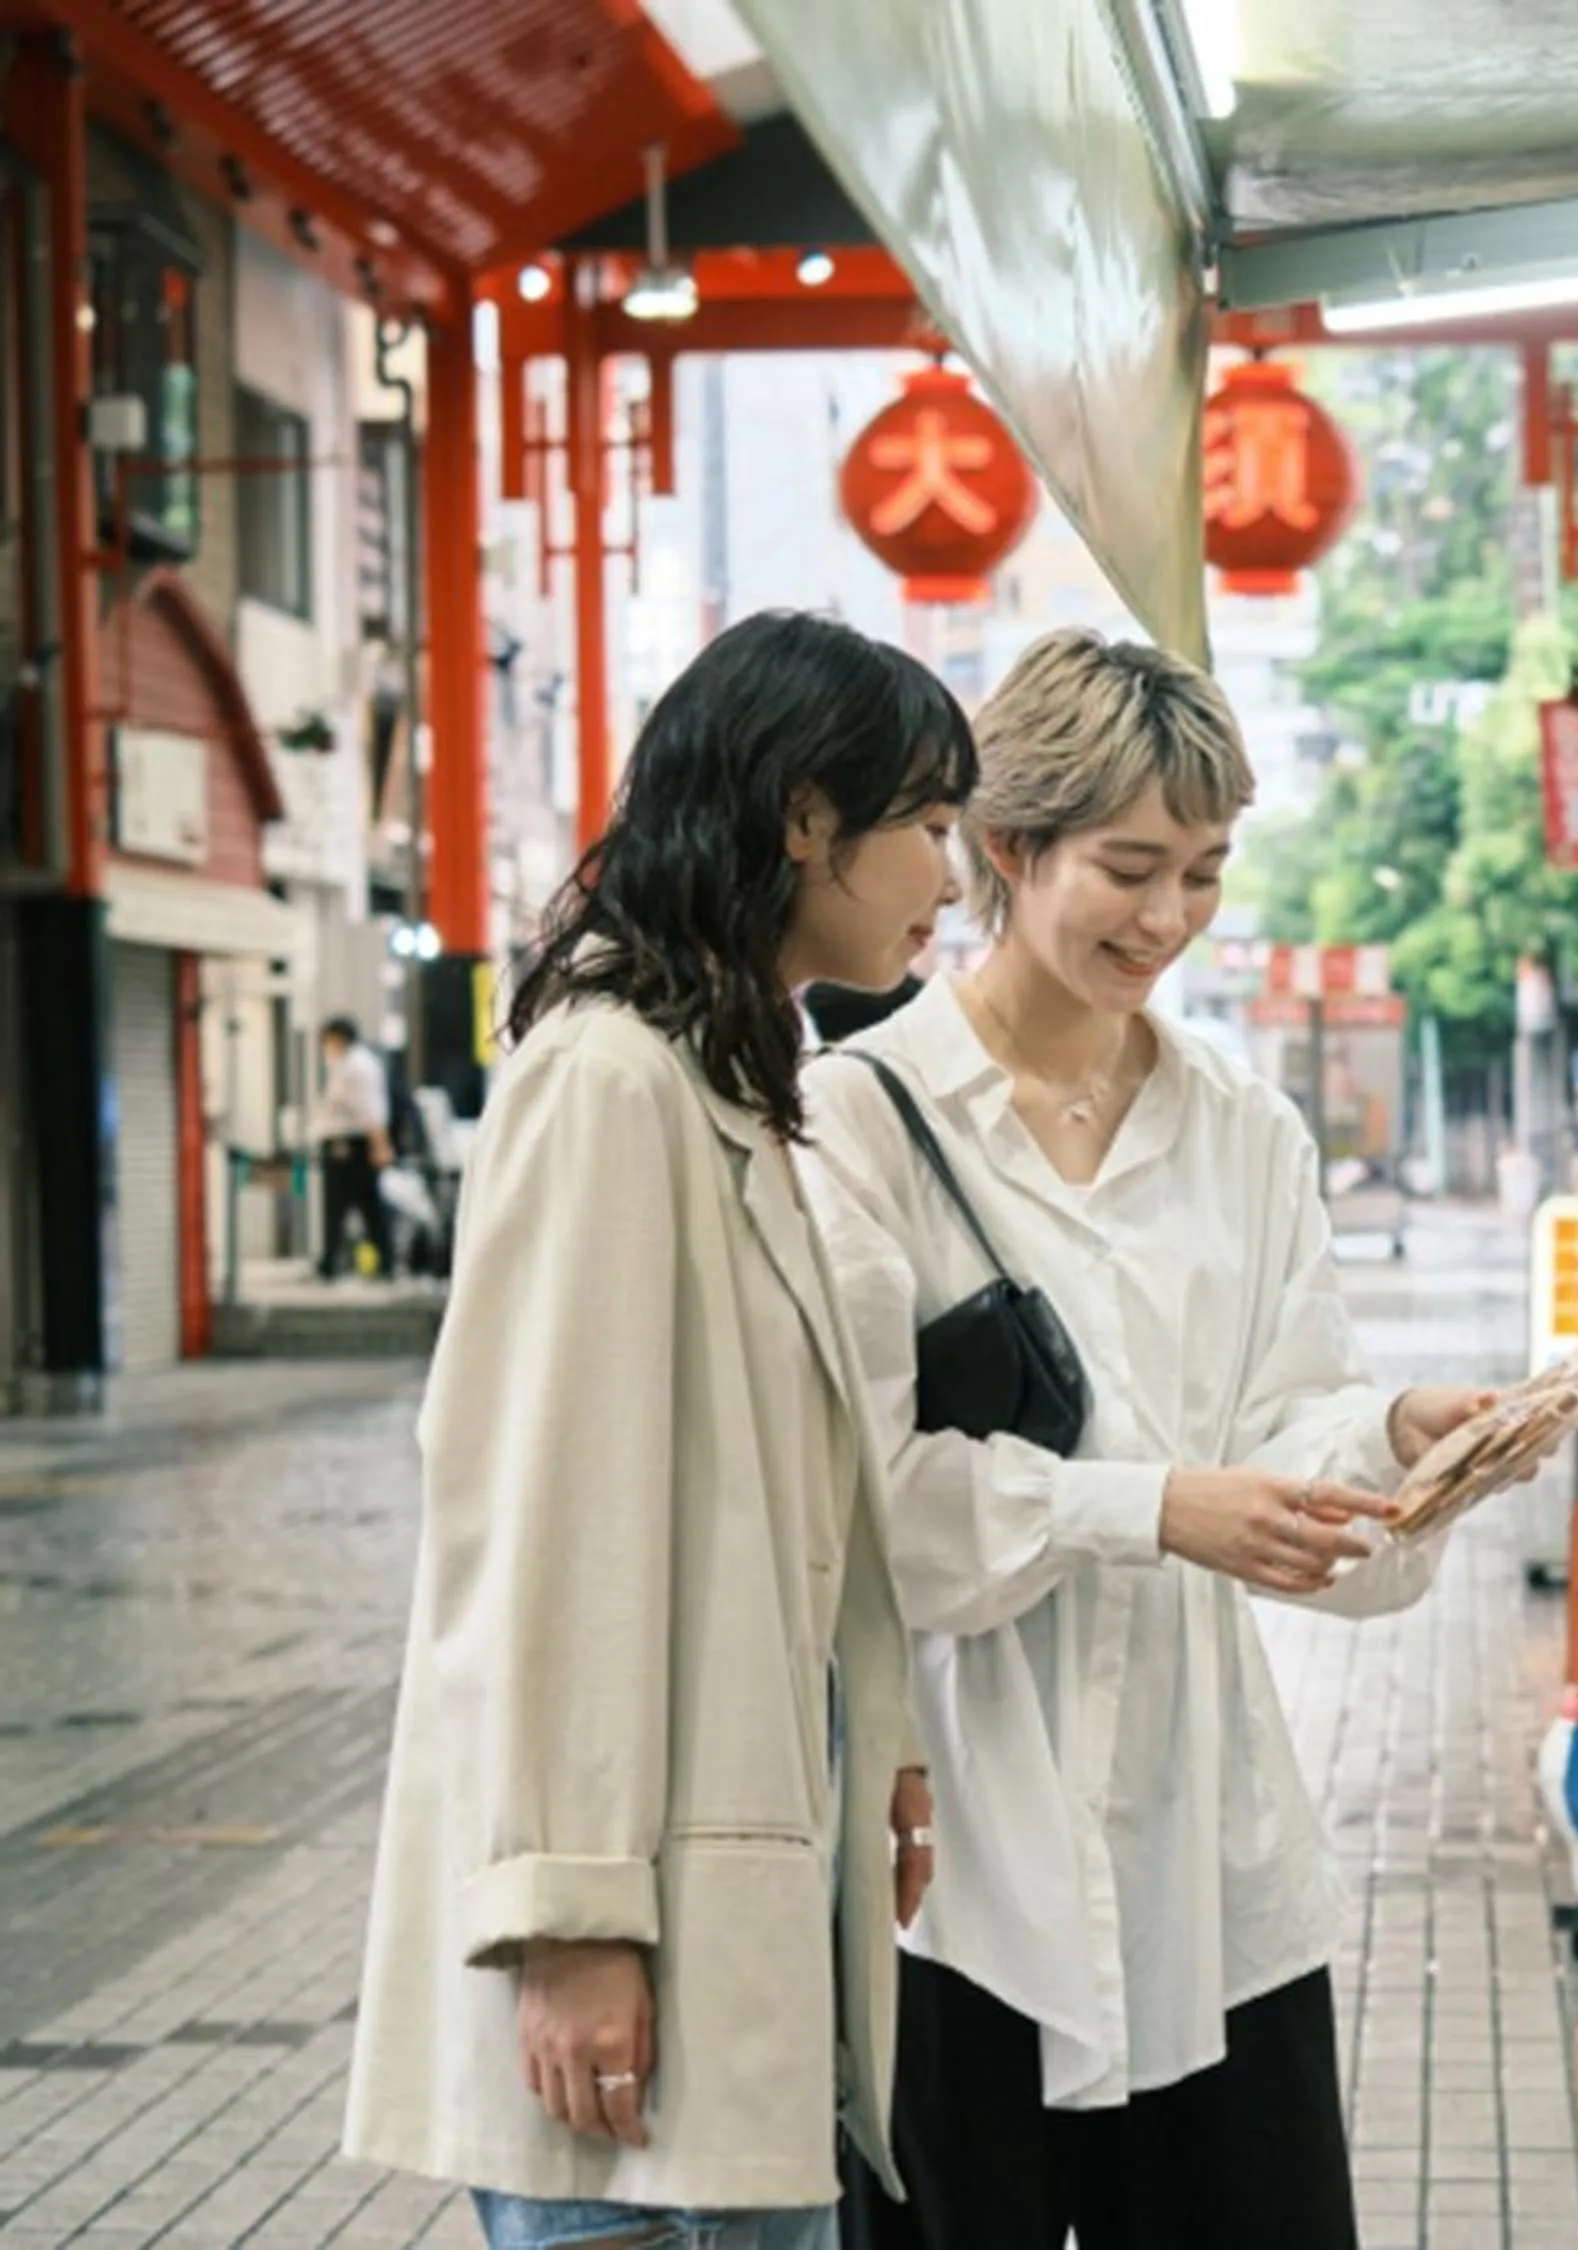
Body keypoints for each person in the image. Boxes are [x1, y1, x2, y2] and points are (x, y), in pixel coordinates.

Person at [801, 629, 1496, 2250]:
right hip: (955, 1880)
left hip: (1216, 1872)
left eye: (1202, 871)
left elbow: (1289, 1436)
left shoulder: (1242, 1131)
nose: (1169, 920)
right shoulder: (863, 1120)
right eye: (1128, 868)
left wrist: (1404, 1440)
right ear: (1004, 845)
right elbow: (853, 1510)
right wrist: (1154, 1508)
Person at [344, 611, 972, 2250]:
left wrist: (880, 1745)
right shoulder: (609, 1081)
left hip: (724, 1903)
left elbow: (789, 1507)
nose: (951, 876)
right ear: (802, 819)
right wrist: (570, 1922)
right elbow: (548, 1524)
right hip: (635, 1953)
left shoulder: (723, 1077)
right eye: (928, 824)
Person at [316, 1016, 396, 1280]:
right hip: (350, 1142)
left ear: (339, 1038)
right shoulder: (349, 1063)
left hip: (351, 1145)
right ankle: (377, 1260)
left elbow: (369, 1111)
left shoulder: (357, 1066)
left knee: (352, 1205)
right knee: (363, 1205)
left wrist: (380, 1145)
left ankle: (336, 1262)